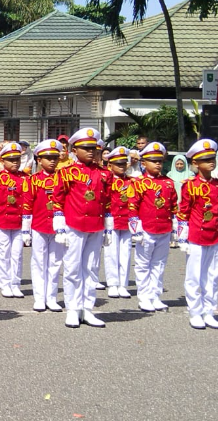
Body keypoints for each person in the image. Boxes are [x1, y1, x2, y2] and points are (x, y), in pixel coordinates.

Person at [53, 128, 113, 328]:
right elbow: (58, 199)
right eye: (85, 148)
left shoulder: (104, 174)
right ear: (74, 149)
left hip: (95, 225)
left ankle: (87, 308)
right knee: (72, 268)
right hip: (74, 224)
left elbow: (108, 200)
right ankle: (72, 308)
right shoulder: (67, 172)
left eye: (93, 148)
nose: (90, 152)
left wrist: (108, 227)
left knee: (91, 268)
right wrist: (60, 227)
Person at [176, 139, 218, 329]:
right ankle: (195, 311)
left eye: (212, 158)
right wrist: (182, 237)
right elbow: (183, 212)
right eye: (205, 159)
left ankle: (209, 311)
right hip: (197, 236)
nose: (211, 162)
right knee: (194, 276)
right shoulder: (190, 185)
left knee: (213, 276)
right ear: (196, 163)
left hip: (214, 235)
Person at [129, 142, 178, 312]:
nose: (158, 163)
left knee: (159, 264)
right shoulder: (138, 183)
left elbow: (173, 207)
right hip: (146, 229)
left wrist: (175, 228)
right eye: (153, 160)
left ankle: (155, 295)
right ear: (143, 163)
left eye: (160, 160)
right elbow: (132, 206)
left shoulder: (169, 183)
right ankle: (143, 297)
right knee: (143, 264)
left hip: (163, 228)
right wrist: (136, 229)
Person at [0, 142, 30, 298]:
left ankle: (15, 283)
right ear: (2, 161)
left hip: (19, 221)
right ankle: (5, 283)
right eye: (11, 160)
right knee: (4, 253)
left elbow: (27, 200)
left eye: (17, 159)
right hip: (1, 220)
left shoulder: (25, 178)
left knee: (17, 254)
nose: (15, 163)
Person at [26, 139, 65, 312]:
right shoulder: (33, 180)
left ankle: (51, 297)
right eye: (47, 157)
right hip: (39, 224)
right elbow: (27, 204)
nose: (52, 161)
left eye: (55, 157)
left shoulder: (63, 178)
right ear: (39, 160)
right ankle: (39, 297)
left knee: (55, 262)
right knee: (39, 261)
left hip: (58, 226)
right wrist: (25, 229)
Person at [102, 147, 134, 299]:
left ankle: (123, 284)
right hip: (112, 220)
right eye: (118, 164)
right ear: (110, 166)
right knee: (111, 253)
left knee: (125, 253)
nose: (121, 166)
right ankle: (113, 283)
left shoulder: (131, 181)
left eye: (123, 163)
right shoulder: (107, 181)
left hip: (126, 220)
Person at [167, 155, 195, 248]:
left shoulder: (190, 175)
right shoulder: (169, 175)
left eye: (181, 164)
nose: (179, 166)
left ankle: (184, 238)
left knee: (184, 220)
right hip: (173, 201)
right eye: (177, 164)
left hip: (185, 201)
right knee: (173, 221)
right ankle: (173, 240)